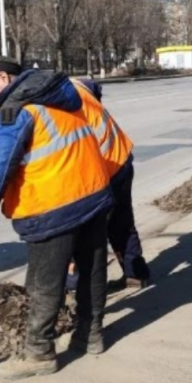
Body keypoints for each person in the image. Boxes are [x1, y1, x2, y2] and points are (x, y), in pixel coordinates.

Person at [0, 58, 114, 380]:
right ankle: (91, 336)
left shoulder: (15, 111)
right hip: (93, 196)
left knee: (45, 282)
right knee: (92, 271)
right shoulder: (63, 99)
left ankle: (39, 353)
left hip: (53, 207)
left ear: (4, 77)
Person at [68, 78, 151, 293]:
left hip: (104, 170)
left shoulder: (55, 97)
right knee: (121, 222)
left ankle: (77, 286)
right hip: (121, 159)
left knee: (87, 230)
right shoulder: (78, 88)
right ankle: (135, 273)